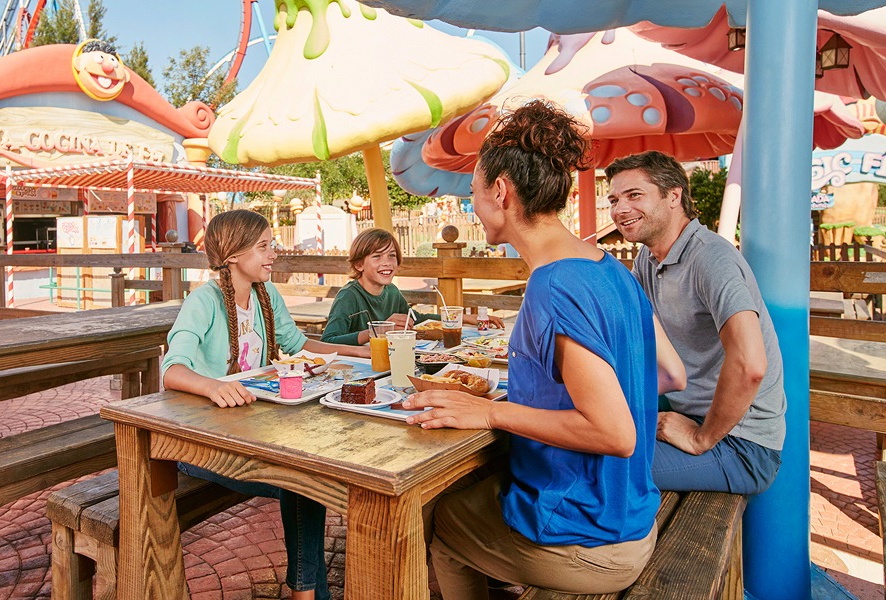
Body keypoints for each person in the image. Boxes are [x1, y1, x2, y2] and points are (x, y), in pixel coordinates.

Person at [400, 100, 686, 598]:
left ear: (502, 192)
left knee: (440, 521)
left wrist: (491, 412)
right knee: (477, 493)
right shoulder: (611, 267)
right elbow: (670, 372)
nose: (471, 206)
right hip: (632, 508)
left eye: (473, 194)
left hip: (590, 537)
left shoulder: (552, 285)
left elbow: (614, 433)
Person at [161, 209, 369, 600]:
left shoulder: (266, 295)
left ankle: (304, 591)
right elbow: (172, 369)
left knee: (309, 477)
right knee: (304, 483)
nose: (273, 253)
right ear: (234, 254)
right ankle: (306, 593)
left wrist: (361, 355)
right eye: (263, 246)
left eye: (271, 244)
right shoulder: (204, 302)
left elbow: (299, 346)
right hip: (199, 442)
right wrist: (211, 387)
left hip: (249, 431)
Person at [605, 150, 785, 495]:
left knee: (595, 464)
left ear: (674, 195)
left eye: (634, 195)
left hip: (739, 444)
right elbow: (623, 325)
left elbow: (750, 365)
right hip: (685, 410)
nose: (619, 209)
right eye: (614, 199)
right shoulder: (649, 258)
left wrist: (700, 437)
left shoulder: (711, 258)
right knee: (574, 426)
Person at [321, 228, 504, 346]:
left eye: (392, 256)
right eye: (377, 257)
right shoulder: (349, 296)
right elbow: (328, 341)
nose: (387, 263)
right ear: (359, 265)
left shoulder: (391, 291)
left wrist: (467, 318)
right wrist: (378, 331)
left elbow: (417, 318)